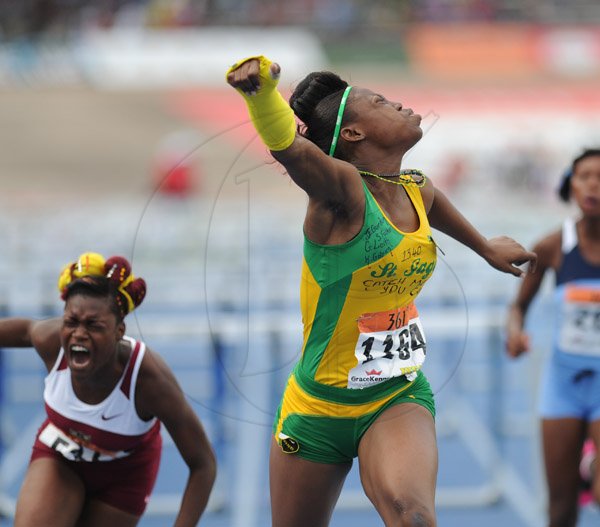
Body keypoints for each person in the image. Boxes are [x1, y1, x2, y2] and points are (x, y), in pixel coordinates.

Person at [226, 55, 537, 527]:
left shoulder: (414, 189)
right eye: (381, 102)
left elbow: (434, 202)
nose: (399, 103)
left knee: (413, 516)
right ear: (353, 134)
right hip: (316, 408)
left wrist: (484, 247)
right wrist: (262, 96)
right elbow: (294, 153)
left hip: (395, 396)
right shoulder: (342, 194)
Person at [0, 252, 216, 527]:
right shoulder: (51, 341)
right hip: (61, 458)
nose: (78, 334)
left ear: (119, 330)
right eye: (71, 322)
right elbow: (22, 331)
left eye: (94, 325)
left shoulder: (149, 381)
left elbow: (203, 464)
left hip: (124, 477)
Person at [506, 149, 600, 527]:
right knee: (560, 510)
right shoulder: (550, 247)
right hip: (562, 386)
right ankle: (586, 463)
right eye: (584, 176)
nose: (594, 184)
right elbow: (518, 308)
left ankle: (590, 465)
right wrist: (515, 335)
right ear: (570, 186)